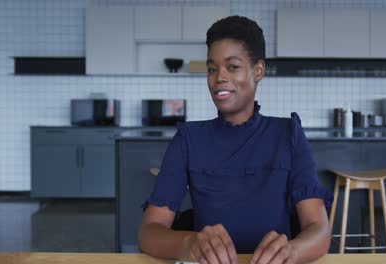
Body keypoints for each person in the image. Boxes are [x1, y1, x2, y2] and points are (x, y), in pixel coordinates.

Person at [138, 15, 333, 264]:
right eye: (212, 68)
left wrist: (293, 251)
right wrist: (189, 243)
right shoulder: (188, 139)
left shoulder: (288, 134)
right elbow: (149, 232)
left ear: (258, 70)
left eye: (232, 67)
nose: (219, 77)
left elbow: (319, 229)